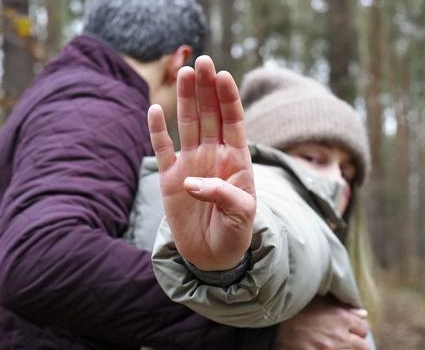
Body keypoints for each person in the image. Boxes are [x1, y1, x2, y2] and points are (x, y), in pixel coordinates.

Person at [0, 0, 361, 349]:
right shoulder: (92, 105)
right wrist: (259, 330)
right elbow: (39, 257)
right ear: (178, 61)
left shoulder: (67, 98)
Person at [139, 60, 378, 348]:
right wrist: (234, 259)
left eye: (347, 172)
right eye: (314, 158)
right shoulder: (275, 189)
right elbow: (289, 230)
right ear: (263, 157)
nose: (337, 181)